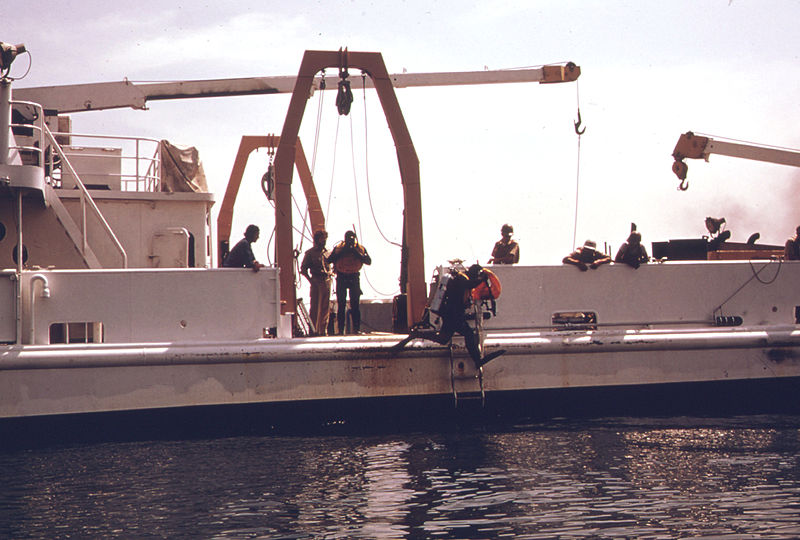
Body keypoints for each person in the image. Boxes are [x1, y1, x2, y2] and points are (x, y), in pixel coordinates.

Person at [426, 263, 505, 369]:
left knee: (444, 338)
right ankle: (477, 360)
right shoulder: (461, 278)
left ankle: (418, 335)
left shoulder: (461, 278)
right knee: (468, 334)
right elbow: (470, 284)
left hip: (451, 313)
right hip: (453, 314)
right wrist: (483, 278)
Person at [328, 230, 371, 334]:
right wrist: (343, 252)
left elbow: (368, 261)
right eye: (348, 238)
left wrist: (355, 253)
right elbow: (329, 260)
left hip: (354, 277)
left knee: (355, 304)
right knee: (341, 305)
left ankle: (356, 329)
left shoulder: (359, 248)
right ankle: (341, 330)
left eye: (352, 238)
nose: (350, 241)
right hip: (342, 277)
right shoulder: (339, 248)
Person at [300, 230, 332, 336]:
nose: (324, 241)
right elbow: (303, 269)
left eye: (325, 238)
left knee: (325, 307)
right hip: (316, 281)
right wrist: (311, 281)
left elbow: (333, 263)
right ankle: (313, 330)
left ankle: (323, 330)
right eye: (322, 238)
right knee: (315, 307)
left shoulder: (328, 252)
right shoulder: (310, 253)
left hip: (326, 280)